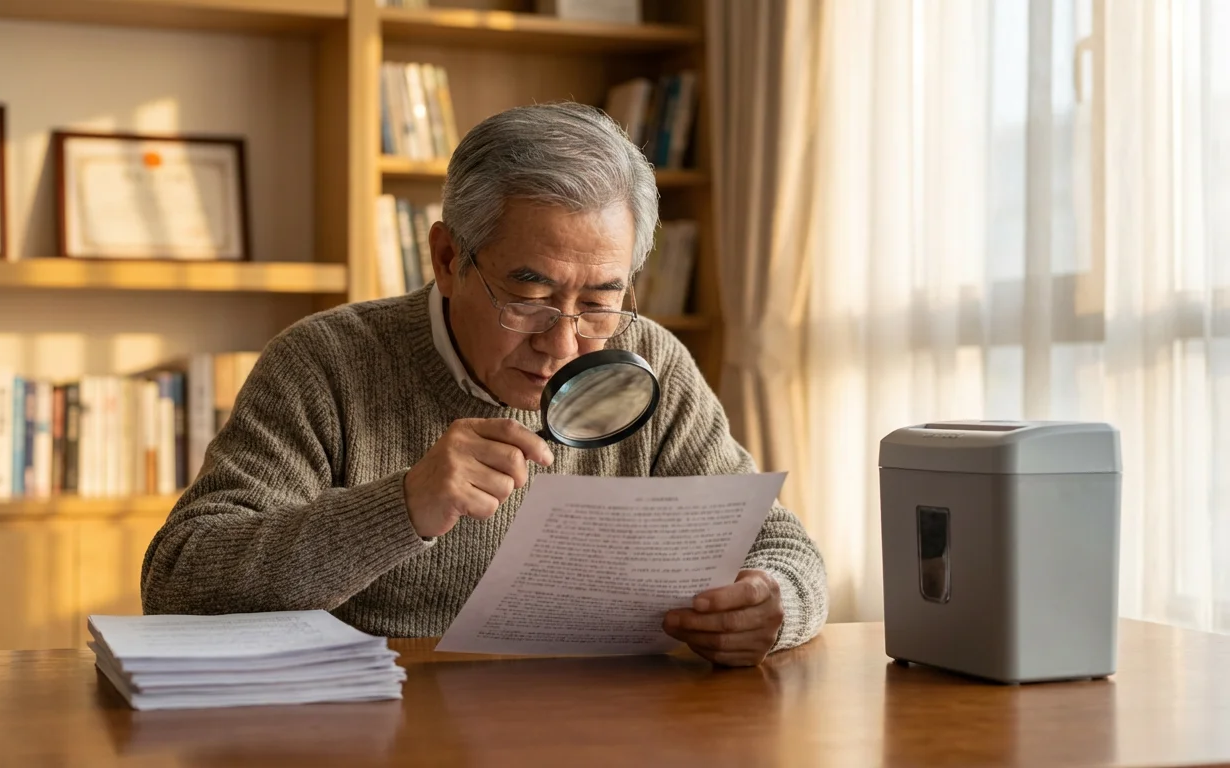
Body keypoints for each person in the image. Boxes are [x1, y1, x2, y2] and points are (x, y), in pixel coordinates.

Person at [141, 102, 828, 667]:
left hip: (608, 727)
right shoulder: (326, 362)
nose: (562, 344)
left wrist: (773, 603)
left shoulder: (651, 360)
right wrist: (404, 506)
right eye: (528, 296)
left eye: (598, 301)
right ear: (447, 259)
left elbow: (787, 549)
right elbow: (179, 582)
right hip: (386, 726)